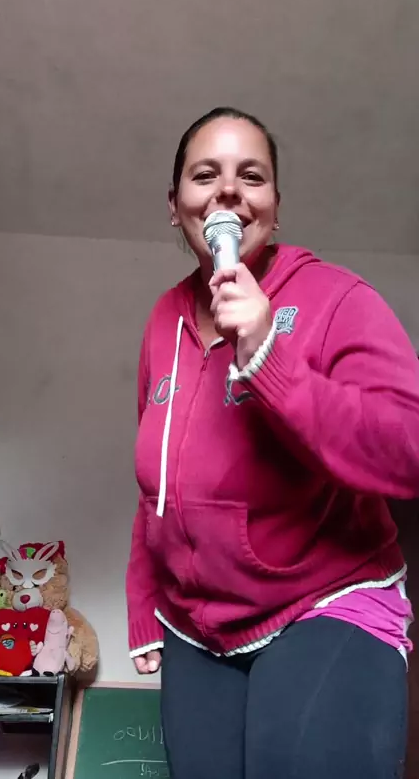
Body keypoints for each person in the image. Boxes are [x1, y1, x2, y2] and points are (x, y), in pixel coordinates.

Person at [125, 107, 419, 779]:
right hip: (198, 630)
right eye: (206, 174)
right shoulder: (163, 320)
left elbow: (409, 447)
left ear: (275, 208)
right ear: (175, 204)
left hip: (324, 602)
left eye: (251, 176)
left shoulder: (339, 299)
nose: (228, 190)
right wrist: (143, 602)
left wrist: (266, 354)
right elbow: (155, 483)